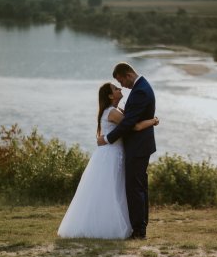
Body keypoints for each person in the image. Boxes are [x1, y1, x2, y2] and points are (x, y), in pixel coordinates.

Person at [58, 82, 159, 239]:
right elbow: (135, 127)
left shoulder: (116, 110)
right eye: (116, 89)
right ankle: (106, 226)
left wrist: (105, 138)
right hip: (112, 154)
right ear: (111, 95)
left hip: (112, 152)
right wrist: (153, 121)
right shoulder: (112, 112)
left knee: (111, 190)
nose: (120, 89)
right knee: (110, 191)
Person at [97, 62, 156, 240]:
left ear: (128, 75)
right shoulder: (142, 87)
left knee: (135, 188)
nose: (122, 86)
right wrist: (152, 121)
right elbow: (130, 119)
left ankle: (139, 231)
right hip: (139, 147)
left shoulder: (140, 91)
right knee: (139, 187)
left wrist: (107, 139)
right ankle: (140, 227)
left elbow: (130, 123)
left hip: (137, 147)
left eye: (121, 81)